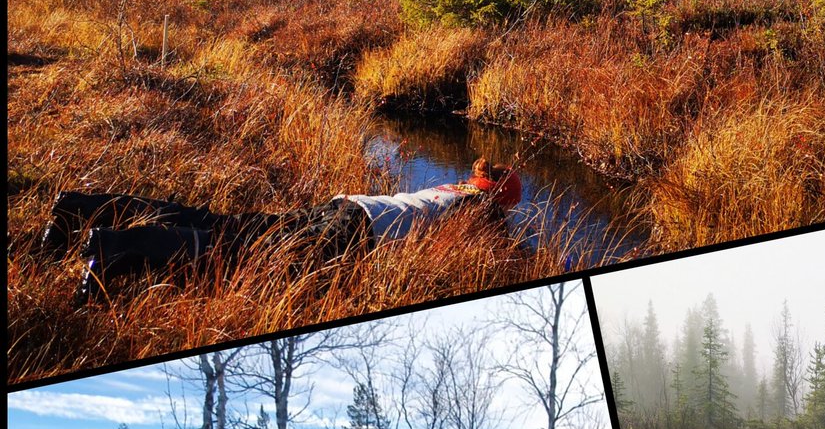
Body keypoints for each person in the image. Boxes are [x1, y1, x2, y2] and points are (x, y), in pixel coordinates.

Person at [39, 157, 522, 304]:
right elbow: (502, 246)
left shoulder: (451, 188)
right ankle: (114, 249)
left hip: (347, 205)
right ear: (498, 198)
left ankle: (78, 209)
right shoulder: (474, 211)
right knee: (237, 254)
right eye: (506, 205)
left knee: (222, 226)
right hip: (352, 231)